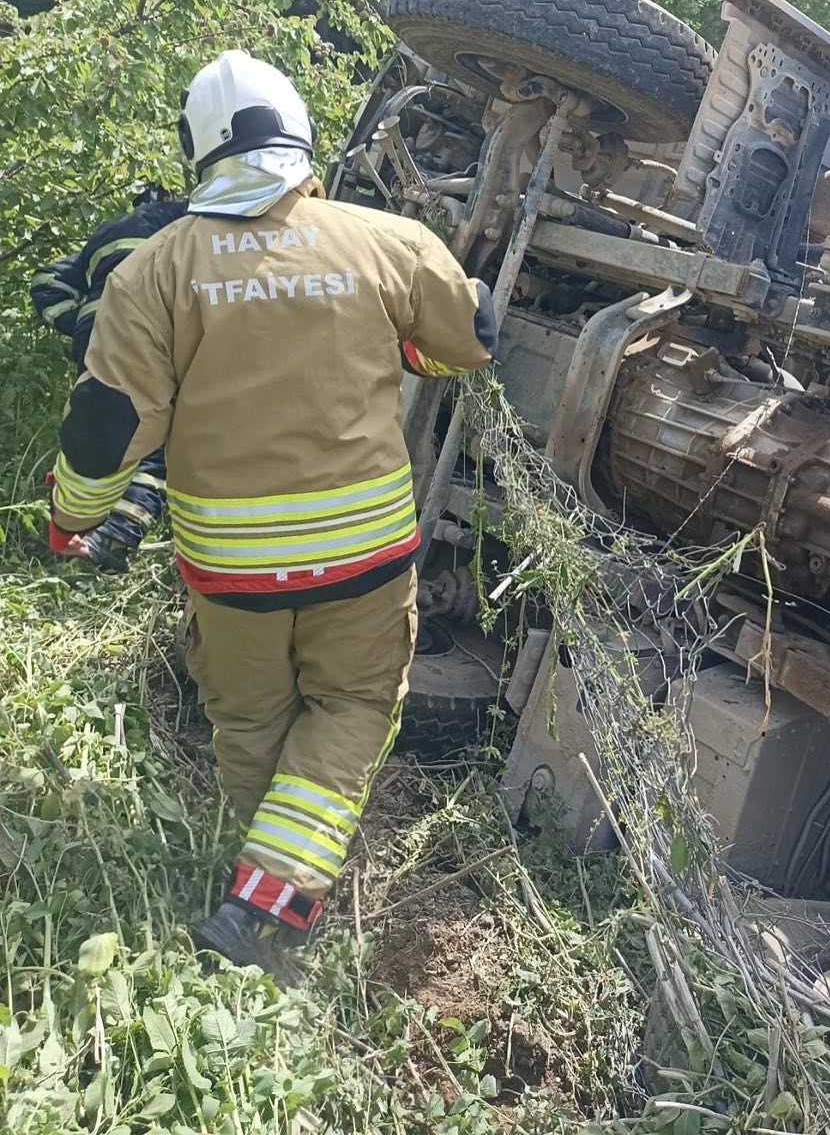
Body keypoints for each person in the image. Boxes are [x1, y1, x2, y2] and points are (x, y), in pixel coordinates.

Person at [48, 50, 497, 974]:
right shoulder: (385, 239)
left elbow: (107, 430)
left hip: (232, 572)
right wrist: (410, 350)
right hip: (365, 563)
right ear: (301, 137)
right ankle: (270, 899)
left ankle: (256, 881)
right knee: (355, 705)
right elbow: (470, 338)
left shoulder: (155, 271)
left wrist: (72, 518)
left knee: (251, 719)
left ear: (198, 151)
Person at [33, 183, 186, 570]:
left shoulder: (111, 230)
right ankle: (114, 536)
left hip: (101, 338)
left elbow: (47, 282)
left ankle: (79, 519)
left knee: (104, 427)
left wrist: (82, 324)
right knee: (153, 445)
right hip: (159, 337)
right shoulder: (190, 223)